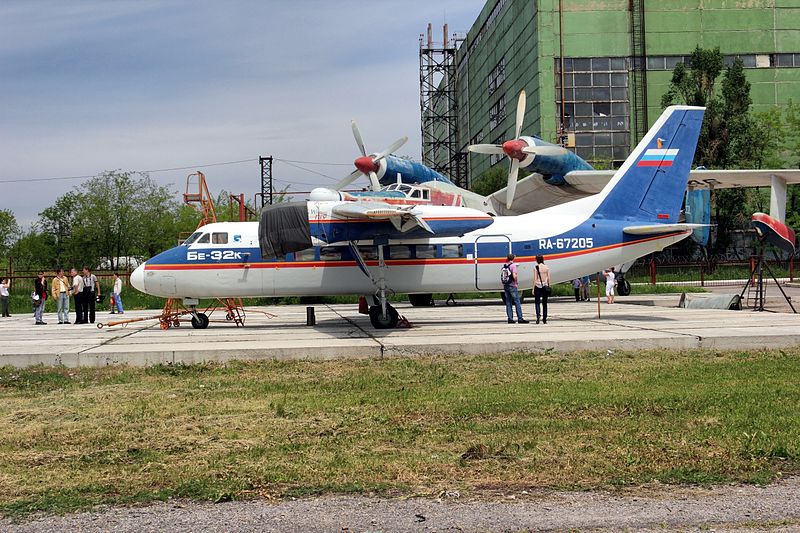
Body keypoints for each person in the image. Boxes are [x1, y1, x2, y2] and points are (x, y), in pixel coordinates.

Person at [501, 253, 528, 324]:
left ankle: (510, 318)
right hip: (512, 286)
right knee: (517, 302)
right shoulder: (513, 265)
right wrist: (516, 282)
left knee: (508, 302)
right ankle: (520, 318)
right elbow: (514, 275)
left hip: (506, 285)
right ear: (513, 258)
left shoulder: (505, 265)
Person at [533, 255, 551, 324]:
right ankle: (544, 318)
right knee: (545, 303)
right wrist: (548, 285)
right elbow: (549, 278)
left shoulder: (536, 267)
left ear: (537, 260)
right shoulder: (546, 267)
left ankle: (538, 315)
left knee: (537, 302)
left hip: (538, 285)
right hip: (545, 285)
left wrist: (533, 288)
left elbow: (535, 279)